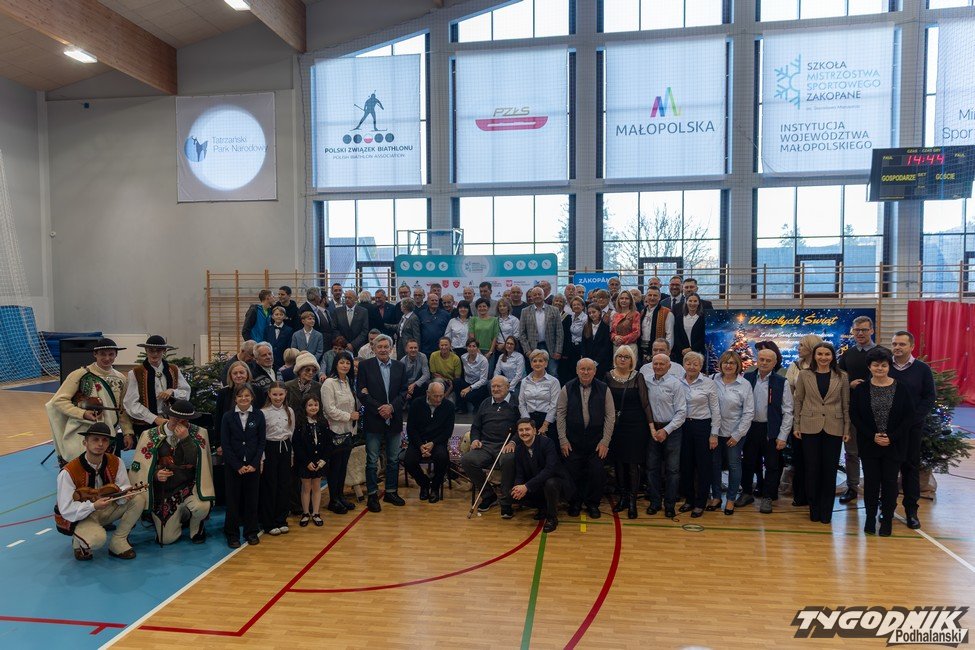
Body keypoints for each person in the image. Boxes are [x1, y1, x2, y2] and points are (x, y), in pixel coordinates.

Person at [55, 422, 147, 561]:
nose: (100, 444)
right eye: (95, 439)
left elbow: (122, 486)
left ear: (108, 443)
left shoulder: (116, 462)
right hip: (80, 516)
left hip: (106, 508)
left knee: (138, 499)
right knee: (97, 540)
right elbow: (66, 509)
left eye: (104, 440)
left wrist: (124, 495)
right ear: (85, 442)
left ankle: (118, 541)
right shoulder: (68, 472)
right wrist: (93, 506)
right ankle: (78, 540)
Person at [129, 400, 214, 545]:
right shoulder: (148, 435)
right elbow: (141, 467)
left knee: (203, 506)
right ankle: (182, 516)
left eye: (184, 420)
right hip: (164, 493)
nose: (180, 423)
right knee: (166, 539)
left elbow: (199, 463)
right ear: (169, 416)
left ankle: (196, 526)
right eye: (176, 419)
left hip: (189, 487)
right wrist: (156, 475)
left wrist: (186, 440)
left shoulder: (200, 433)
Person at [850, 347, 915, 536]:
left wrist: (891, 437)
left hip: (894, 445)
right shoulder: (861, 389)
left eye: (884, 365)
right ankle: (870, 518)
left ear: (889, 367)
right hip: (869, 444)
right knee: (870, 483)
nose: (880, 368)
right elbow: (855, 416)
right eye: (876, 365)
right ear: (869, 367)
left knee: (890, 484)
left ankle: (887, 520)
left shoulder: (901, 388)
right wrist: (873, 435)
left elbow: (908, 417)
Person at [47, 338, 135, 464]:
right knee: (80, 469)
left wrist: (127, 432)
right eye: (102, 354)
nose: (107, 358)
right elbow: (59, 401)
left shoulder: (121, 378)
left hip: (108, 433)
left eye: (111, 354)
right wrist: (83, 414)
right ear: (95, 354)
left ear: (116, 355)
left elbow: (122, 409)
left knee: (104, 469)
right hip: (82, 431)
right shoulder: (79, 374)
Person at [792, 342, 850, 525]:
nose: (823, 357)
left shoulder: (842, 376)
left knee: (829, 470)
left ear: (833, 356)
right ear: (814, 356)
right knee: (812, 469)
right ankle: (814, 508)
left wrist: (846, 428)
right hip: (809, 426)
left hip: (834, 426)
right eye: (820, 354)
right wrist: (796, 425)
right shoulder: (804, 374)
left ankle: (826, 511)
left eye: (827, 354)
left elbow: (846, 404)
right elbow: (798, 400)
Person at [888, 330, 936, 530]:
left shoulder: (922, 369)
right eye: (894, 344)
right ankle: (887, 509)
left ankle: (911, 512)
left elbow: (929, 397)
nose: (897, 347)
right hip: (888, 429)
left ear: (911, 346)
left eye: (902, 344)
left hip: (912, 429)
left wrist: (913, 420)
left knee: (910, 469)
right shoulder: (885, 366)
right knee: (888, 470)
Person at [556, 358, 615, 519]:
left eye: (589, 369)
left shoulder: (604, 389)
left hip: (596, 442)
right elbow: (560, 415)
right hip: (572, 441)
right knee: (572, 472)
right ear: (577, 371)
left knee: (596, 472)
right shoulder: (567, 388)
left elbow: (610, 417)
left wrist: (605, 442)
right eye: (582, 369)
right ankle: (574, 503)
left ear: (595, 371)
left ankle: (592, 504)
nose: (586, 372)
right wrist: (563, 440)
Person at [357, 334, 408, 512]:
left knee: (393, 459)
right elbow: (361, 393)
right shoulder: (365, 366)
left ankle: (391, 492)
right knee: (372, 460)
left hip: (394, 419)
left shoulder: (400, 367)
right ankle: (372, 495)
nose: (383, 349)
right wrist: (381, 408)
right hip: (374, 418)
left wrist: (391, 408)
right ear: (373, 348)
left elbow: (404, 392)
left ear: (391, 349)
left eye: (386, 347)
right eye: (380, 347)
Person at [741, 343, 794, 514]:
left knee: (772, 465)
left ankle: (768, 497)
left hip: (771, 429)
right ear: (757, 360)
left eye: (768, 360)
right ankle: (747, 492)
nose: (764, 363)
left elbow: (788, 411)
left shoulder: (781, 382)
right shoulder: (747, 378)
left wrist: (783, 436)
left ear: (774, 363)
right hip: (750, 427)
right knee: (748, 462)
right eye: (761, 359)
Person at [606, 345, 654, 519]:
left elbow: (645, 404)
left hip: (636, 426)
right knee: (619, 463)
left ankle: (633, 501)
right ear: (615, 358)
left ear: (632, 360)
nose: (623, 359)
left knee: (633, 464)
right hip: (616, 426)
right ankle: (623, 498)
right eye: (620, 356)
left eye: (626, 357)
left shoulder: (638, 377)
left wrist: (651, 426)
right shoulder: (607, 376)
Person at [461, 376, 520, 519]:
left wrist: (513, 442)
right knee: (467, 460)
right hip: (486, 446)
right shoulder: (485, 403)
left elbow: (522, 427)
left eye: (499, 386)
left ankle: (506, 502)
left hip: (506, 446)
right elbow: (476, 426)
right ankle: (488, 495)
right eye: (493, 386)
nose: (495, 389)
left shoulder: (516, 402)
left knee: (508, 460)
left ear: (508, 387)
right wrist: (475, 439)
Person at [836, 315, 880, 506]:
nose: (860, 333)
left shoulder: (882, 353)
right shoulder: (848, 355)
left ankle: (875, 489)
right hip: (853, 411)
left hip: (877, 411)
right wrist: (849, 384)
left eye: (864, 330)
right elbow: (837, 379)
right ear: (853, 332)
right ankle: (852, 487)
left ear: (872, 330)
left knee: (875, 453)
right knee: (851, 452)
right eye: (857, 330)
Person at [220, 383, 265, 548]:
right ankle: (232, 534)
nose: (244, 398)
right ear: (235, 399)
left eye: (247, 395)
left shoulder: (259, 415)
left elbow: (261, 442)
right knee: (233, 501)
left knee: (252, 500)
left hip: (252, 466)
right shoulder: (227, 417)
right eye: (240, 396)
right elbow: (226, 444)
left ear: (252, 397)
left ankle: (251, 531)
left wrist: (254, 463)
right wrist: (237, 465)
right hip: (234, 467)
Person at [709, 351, 754, 515]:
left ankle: (730, 499)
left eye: (732, 363)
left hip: (735, 432)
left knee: (734, 465)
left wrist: (737, 435)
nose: (728, 365)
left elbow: (748, 412)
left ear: (738, 366)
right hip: (715, 432)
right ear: (720, 364)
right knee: (714, 465)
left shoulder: (744, 385)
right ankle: (716, 497)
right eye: (725, 362)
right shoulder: (712, 380)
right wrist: (712, 433)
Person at [643, 354, 687, 518]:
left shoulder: (676, 384)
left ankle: (670, 505)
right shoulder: (646, 381)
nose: (658, 366)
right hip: (652, 429)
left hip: (672, 430)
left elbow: (681, 412)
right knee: (652, 468)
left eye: (662, 364)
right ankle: (655, 502)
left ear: (669, 366)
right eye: (656, 363)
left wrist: (666, 430)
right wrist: (655, 429)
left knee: (672, 470)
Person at [679, 352, 722, 518]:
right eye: (688, 363)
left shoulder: (708, 383)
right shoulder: (678, 381)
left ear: (701, 366)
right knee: (686, 465)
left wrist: (714, 434)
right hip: (683, 426)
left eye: (695, 364)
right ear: (684, 364)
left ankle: (700, 502)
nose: (691, 367)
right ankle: (689, 499)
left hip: (702, 427)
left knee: (703, 466)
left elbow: (715, 409)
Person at [511, 418, 572, 533]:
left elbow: (550, 470)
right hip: (536, 481)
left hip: (556, 480)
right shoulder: (519, 449)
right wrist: (518, 488)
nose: (524, 432)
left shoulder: (547, 443)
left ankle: (552, 518)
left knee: (550, 483)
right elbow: (519, 473)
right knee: (513, 493)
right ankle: (542, 507)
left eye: (527, 429)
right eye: (521, 430)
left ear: (534, 431)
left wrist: (527, 486)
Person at [124, 335, 190, 437]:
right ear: (146, 350)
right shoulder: (136, 373)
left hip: (171, 422)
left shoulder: (173, 370)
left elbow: (186, 393)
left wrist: (172, 391)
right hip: (146, 423)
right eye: (151, 350)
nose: (154, 354)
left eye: (158, 350)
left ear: (164, 351)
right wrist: (154, 418)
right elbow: (131, 403)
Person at [784, 333, 822, 508]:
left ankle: (815, 494)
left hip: (818, 417)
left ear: (811, 347)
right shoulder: (795, 366)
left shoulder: (823, 366)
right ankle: (800, 494)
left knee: (816, 458)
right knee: (799, 458)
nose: (798, 348)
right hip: (798, 417)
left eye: (801, 345)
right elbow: (789, 391)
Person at [404, 381, 456, 503]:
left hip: (437, 442)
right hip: (418, 442)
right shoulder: (417, 404)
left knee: (442, 458)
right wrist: (420, 445)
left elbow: (448, 431)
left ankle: (435, 487)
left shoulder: (449, 406)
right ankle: (424, 483)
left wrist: (433, 443)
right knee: (409, 461)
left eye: (441, 396)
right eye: (435, 396)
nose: (438, 399)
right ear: (428, 393)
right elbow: (411, 428)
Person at [321, 351, 359, 515]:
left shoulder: (348, 382)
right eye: (342, 362)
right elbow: (329, 410)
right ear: (336, 364)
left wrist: (352, 421)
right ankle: (333, 500)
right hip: (334, 431)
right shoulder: (329, 383)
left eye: (348, 363)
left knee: (343, 466)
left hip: (348, 430)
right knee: (335, 467)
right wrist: (348, 416)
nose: (345, 365)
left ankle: (340, 495)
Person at [259, 383, 294, 535]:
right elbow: (261, 437)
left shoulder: (289, 411)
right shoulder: (263, 412)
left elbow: (291, 433)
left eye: (281, 394)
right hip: (270, 449)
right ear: (269, 394)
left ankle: (281, 519)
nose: (278, 397)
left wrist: (291, 455)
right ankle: (269, 522)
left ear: (285, 394)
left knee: (284, 485)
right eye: (275, 394)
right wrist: (262, 458)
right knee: (270, 485)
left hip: (285, 448)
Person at [293, 393, 328, 528]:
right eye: (310, 405)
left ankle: (316, 513)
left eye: (316, 405)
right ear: (304, 407)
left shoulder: (323, 422)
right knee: (306, 488)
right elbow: (297, 445)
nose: (313, 407)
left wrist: (323, 460)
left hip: (319, 462)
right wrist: (306, 462)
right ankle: (306, 513)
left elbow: (328, 443)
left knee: (317, 487)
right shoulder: (300, 423)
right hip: (305, 462)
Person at [519, 349, 561, 444]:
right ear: (531, 364)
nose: (537, 363)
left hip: (548, 420)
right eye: (534, 361)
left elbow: (554, 405)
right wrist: (528, 423)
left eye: (541, 361)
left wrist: (545, 425)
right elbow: (522, 404)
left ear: (546, 363)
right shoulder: (524, 381)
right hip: (529, 419)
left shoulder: (553, 381)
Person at [519, 287, 563, 376]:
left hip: (551, 348)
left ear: (544, 295)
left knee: (553, 372)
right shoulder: (525, 311)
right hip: (532, 348)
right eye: (534, 295)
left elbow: (559, 332)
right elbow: (522, 333)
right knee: (535, 374)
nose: (537, 296)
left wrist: (558, 351)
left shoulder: (554, 310)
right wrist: (527, 350)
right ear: (531, 297)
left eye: (539, 294)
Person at [639, 287, 674, 366]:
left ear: (659, 297)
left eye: (655, 295)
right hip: (643, 349)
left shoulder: (667, 312)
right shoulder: (642, 312)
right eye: (650, 295)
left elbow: (670, 335)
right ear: (646, 297)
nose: (652, 298)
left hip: (659, 350)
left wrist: (667, 352)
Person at [457, 339, 490, 414]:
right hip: (468, 382)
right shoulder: (463, 357)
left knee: (468, 395)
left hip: (479, 385)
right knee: (456, 382)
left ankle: (478, 406)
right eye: (469, 346)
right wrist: (466, 387)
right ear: (466, 348)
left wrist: (469, 388)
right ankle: (462, 408)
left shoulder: (483, 360)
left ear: (477, 348)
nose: (471, 348)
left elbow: (483, 380)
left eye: (474, 346)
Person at [673, 293, 706, 363]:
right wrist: (683, 349)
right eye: (690, 301)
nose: (692, 303)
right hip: (682, 353)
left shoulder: (703, 318)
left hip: (698, 353)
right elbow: (676, 336)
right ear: (686, 302)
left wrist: (691, 349)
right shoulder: (679, 317)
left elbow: (703, 337)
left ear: (699, 303)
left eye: (695, 301)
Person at [560, 297, 587, 385]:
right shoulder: (570, 317)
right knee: (570, 370)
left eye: (578, 304)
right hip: (571, 347)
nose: (576, 306)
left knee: (579, 370)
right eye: (574, 305)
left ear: (583, 306)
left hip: (581, 347)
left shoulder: (585, 319)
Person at [430, 337, 462, 405]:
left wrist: (448, 392)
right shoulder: (433, 355)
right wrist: (446, 379)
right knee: (438, 380)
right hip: (439, 382)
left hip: (451, 385)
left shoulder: (456, 358)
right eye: (442, 345)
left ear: (450, 345)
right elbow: (434, 374)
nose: (444, 347)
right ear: (439, 346)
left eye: (446, 345)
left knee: (450, 404)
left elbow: (457, 378)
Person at [581, 304, 612, 375]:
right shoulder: (586, 326)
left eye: (594, 312)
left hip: (601, 361)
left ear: (599, 312)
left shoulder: (605, 327)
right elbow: (583, 344)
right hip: (588, 360)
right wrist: (585, 358)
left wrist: (597, 361)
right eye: (589, 313)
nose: (592, 315)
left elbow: (606, 346)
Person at [418, 292, 452, 357]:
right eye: (432, 300)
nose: (434, 302)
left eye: (436, 300)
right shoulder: (421, 314)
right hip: (425, 349)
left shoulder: (446, 315)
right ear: (427, 302)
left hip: (441, 349)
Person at [610, 290, 641, 358]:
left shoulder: (635, 314)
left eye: (626, 298)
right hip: (617, 346)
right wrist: (615, 337)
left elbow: (636, 332)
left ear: (631, 301)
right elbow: (612, 332)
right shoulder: (615, 315)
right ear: (618, 300)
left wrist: (622, 339)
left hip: (630, 346)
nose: (624, 300)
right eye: (621, 298)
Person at [471, 298, 501, 363]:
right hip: (475, 351)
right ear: (477, 308)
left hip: (490, 351)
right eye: (479, 306)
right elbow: (472, 337)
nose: (482, 308)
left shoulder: (494, 320)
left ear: (488, 307)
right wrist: (478, 351)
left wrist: (490, 352)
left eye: (484, 306)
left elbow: (495, 337)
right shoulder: (473, 320)